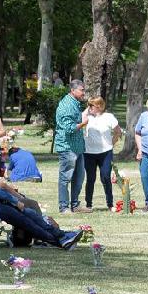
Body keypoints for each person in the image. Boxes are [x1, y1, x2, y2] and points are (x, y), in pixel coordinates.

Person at [0, 144, 82, 249]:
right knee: (27, 222)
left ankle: (62, 236)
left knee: (29, 213)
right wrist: (14, 200)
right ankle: (60, 241)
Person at [55, 80, 90, 214]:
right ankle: (64, 207)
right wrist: (84, 123)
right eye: (81, 90)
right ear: (73, 90)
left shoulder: (75, 103)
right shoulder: (66, 105)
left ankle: (75, 205)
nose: (83, 93)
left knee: (79, 177)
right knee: (65, 178)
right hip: (67, 147)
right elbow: (69, 128)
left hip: (77, 147)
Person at [83, 97, 122, 209]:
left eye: (92, 106)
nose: (89, 108)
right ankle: (88, 204)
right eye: (89, 105)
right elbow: (81, 117)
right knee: (90, 178)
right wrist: (88, 108)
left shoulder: (109, 117)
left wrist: (111, 143)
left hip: (105, 153)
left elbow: (117, 132)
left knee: (105, 177)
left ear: (99, 106)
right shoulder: (88, 117)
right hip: (89, 153)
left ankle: (110, 204)